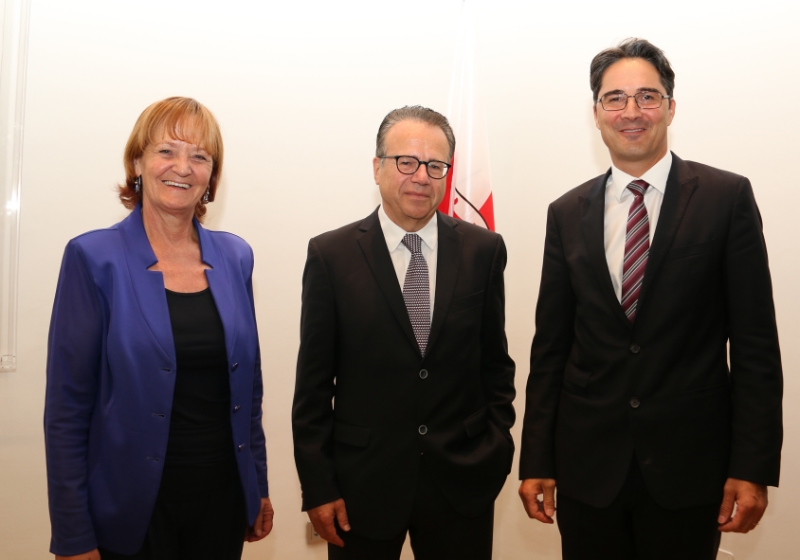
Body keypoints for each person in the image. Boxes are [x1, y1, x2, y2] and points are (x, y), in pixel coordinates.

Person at [518, 38, 783, 559]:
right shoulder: (565, 213)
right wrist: (537, 460)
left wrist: (751, 467)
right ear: (597, 113)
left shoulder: (726, 198)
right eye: (615, 98)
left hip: (690, 470)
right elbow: (550, 350)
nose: (631, 111)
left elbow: (756, 346)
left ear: (671, 107)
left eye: (647, 96)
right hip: (588, 470)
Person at [44, 97, 273, 560]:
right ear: (137, 162)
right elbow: (68, 409)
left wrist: (258, 486)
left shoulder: (236, 257)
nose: (182, 168)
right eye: (166, 151)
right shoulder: (94, 258)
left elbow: (249, 390)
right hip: (130, 513)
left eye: (199, 156)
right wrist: (72, 534)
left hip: (222, 503)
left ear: (211, 176)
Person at [292, 105, 515, 560]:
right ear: (377, 168)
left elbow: (495, 365)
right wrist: (318, 486)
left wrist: (495, 447)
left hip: (461, 482)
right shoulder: (331, 255)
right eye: (406, 162)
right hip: (361, 487)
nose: (421, 177)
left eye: (435, 165)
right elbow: (313, 388)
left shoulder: (483, 250)